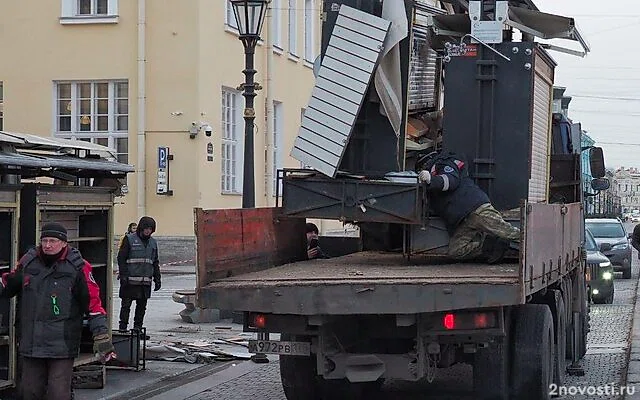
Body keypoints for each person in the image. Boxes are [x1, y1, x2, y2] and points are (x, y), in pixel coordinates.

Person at [0, 222, 115, 400]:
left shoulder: (78, 267)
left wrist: (102, 338)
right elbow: (8, 287)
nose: (47, 245)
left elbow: (93, 304)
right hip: (31, 342)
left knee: (58, 393)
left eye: (52, 241)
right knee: (29, 392)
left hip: (61, 344)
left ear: (64, 243)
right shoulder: (28, 262)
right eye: (44, 240)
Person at [418, 151, 520, 263]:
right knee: (456, 251)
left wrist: (431, 180)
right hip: (463, 220)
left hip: (476, 209)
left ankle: (538, 245)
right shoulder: (432, 182)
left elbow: (450, 180)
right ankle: (491, 244)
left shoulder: (443, 164)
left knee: (509, 232)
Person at [118, 216, 161, 335]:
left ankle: (137, 329)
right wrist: (123, 275)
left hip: (145, 282)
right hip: (130, 281)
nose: (148, 231)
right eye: (146, 228)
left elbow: (155, 262)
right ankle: (122, 328)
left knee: (141, 308)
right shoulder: (129, 239)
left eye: (150, 229)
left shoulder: (153, 242)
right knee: (126, 306)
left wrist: (157, 278)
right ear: (141, 228)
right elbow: (121, 258)